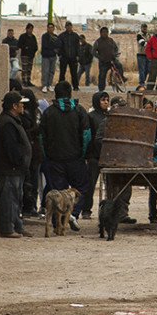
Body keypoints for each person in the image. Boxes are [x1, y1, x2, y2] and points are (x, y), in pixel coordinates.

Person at [39, 80, 91, 231]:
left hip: (54, 160)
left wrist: (47, 155)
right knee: (81, 188)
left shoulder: (48, 113)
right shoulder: (80, 111)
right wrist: (82, 154)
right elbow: (86, 136)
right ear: (71, 93)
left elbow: (42, 138)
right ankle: (72, 214)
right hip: (75, 159)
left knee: (57, 192)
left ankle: (57, 223)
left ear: (55, 94)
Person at [0, 91, 32, 238]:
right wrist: (18, 162)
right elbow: (11, 148)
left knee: (16, 199)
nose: (23, 106)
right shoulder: (7, 123)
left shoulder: (12, 120)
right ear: (14, 106)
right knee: (9, 199)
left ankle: (17, 226)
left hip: (15, 170)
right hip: (10, 169)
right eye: (21, 103)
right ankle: (7, 228)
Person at [84, 91, 109, 220]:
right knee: (90, 184)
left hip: (107, 155)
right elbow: (88, 136)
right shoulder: (91, 116)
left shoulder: (110, 116)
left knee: (110, 185)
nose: (105, 102)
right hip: (94, 155)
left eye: (107, 100)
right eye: (103, 100)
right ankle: (86, 209)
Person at [19, 88, 44, 218]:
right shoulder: (34, 114)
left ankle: (28, 207)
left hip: (31, 154)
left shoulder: (25, 115)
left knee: (29, 182)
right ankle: (31, 206)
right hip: (34, 153)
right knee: (32, 183)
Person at [57, 21, 81, 91]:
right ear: (65, 27)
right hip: (64, 57)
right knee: (62, 72)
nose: (69, 27)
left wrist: (78, 55)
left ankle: (75, 86)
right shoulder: (61, 36)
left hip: (73, 57)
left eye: (70, 26)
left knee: (74, 73)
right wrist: (60, 55)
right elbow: (59, 46)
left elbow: (78, 47)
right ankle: (61, 86)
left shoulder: (75, 36)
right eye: (67, 26)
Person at [39, 22, 60, 93]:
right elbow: (46, 45)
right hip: (46, 56)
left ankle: (50, 84)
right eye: (49, 27)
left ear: (54, 28)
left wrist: (54, 47)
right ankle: (44, 85)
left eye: (52, 27)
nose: (50, 29)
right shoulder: (44, 36)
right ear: (47, 28)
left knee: (52, 71)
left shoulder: (55, 36)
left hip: (53, 56)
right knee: (45, 71)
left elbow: (58, 44)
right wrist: (53, 47)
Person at [135, 23, 149, 92]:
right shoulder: (139, 35)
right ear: (141, 28)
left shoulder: (148, 35)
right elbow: (142, 43)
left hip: (147, 55)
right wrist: (149, 43)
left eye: (145, 27)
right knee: (142, 70)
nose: (144, 29)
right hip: (141, 54)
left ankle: (143, 81)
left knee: (147, 69)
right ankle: (142, 83)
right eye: (143, 27)